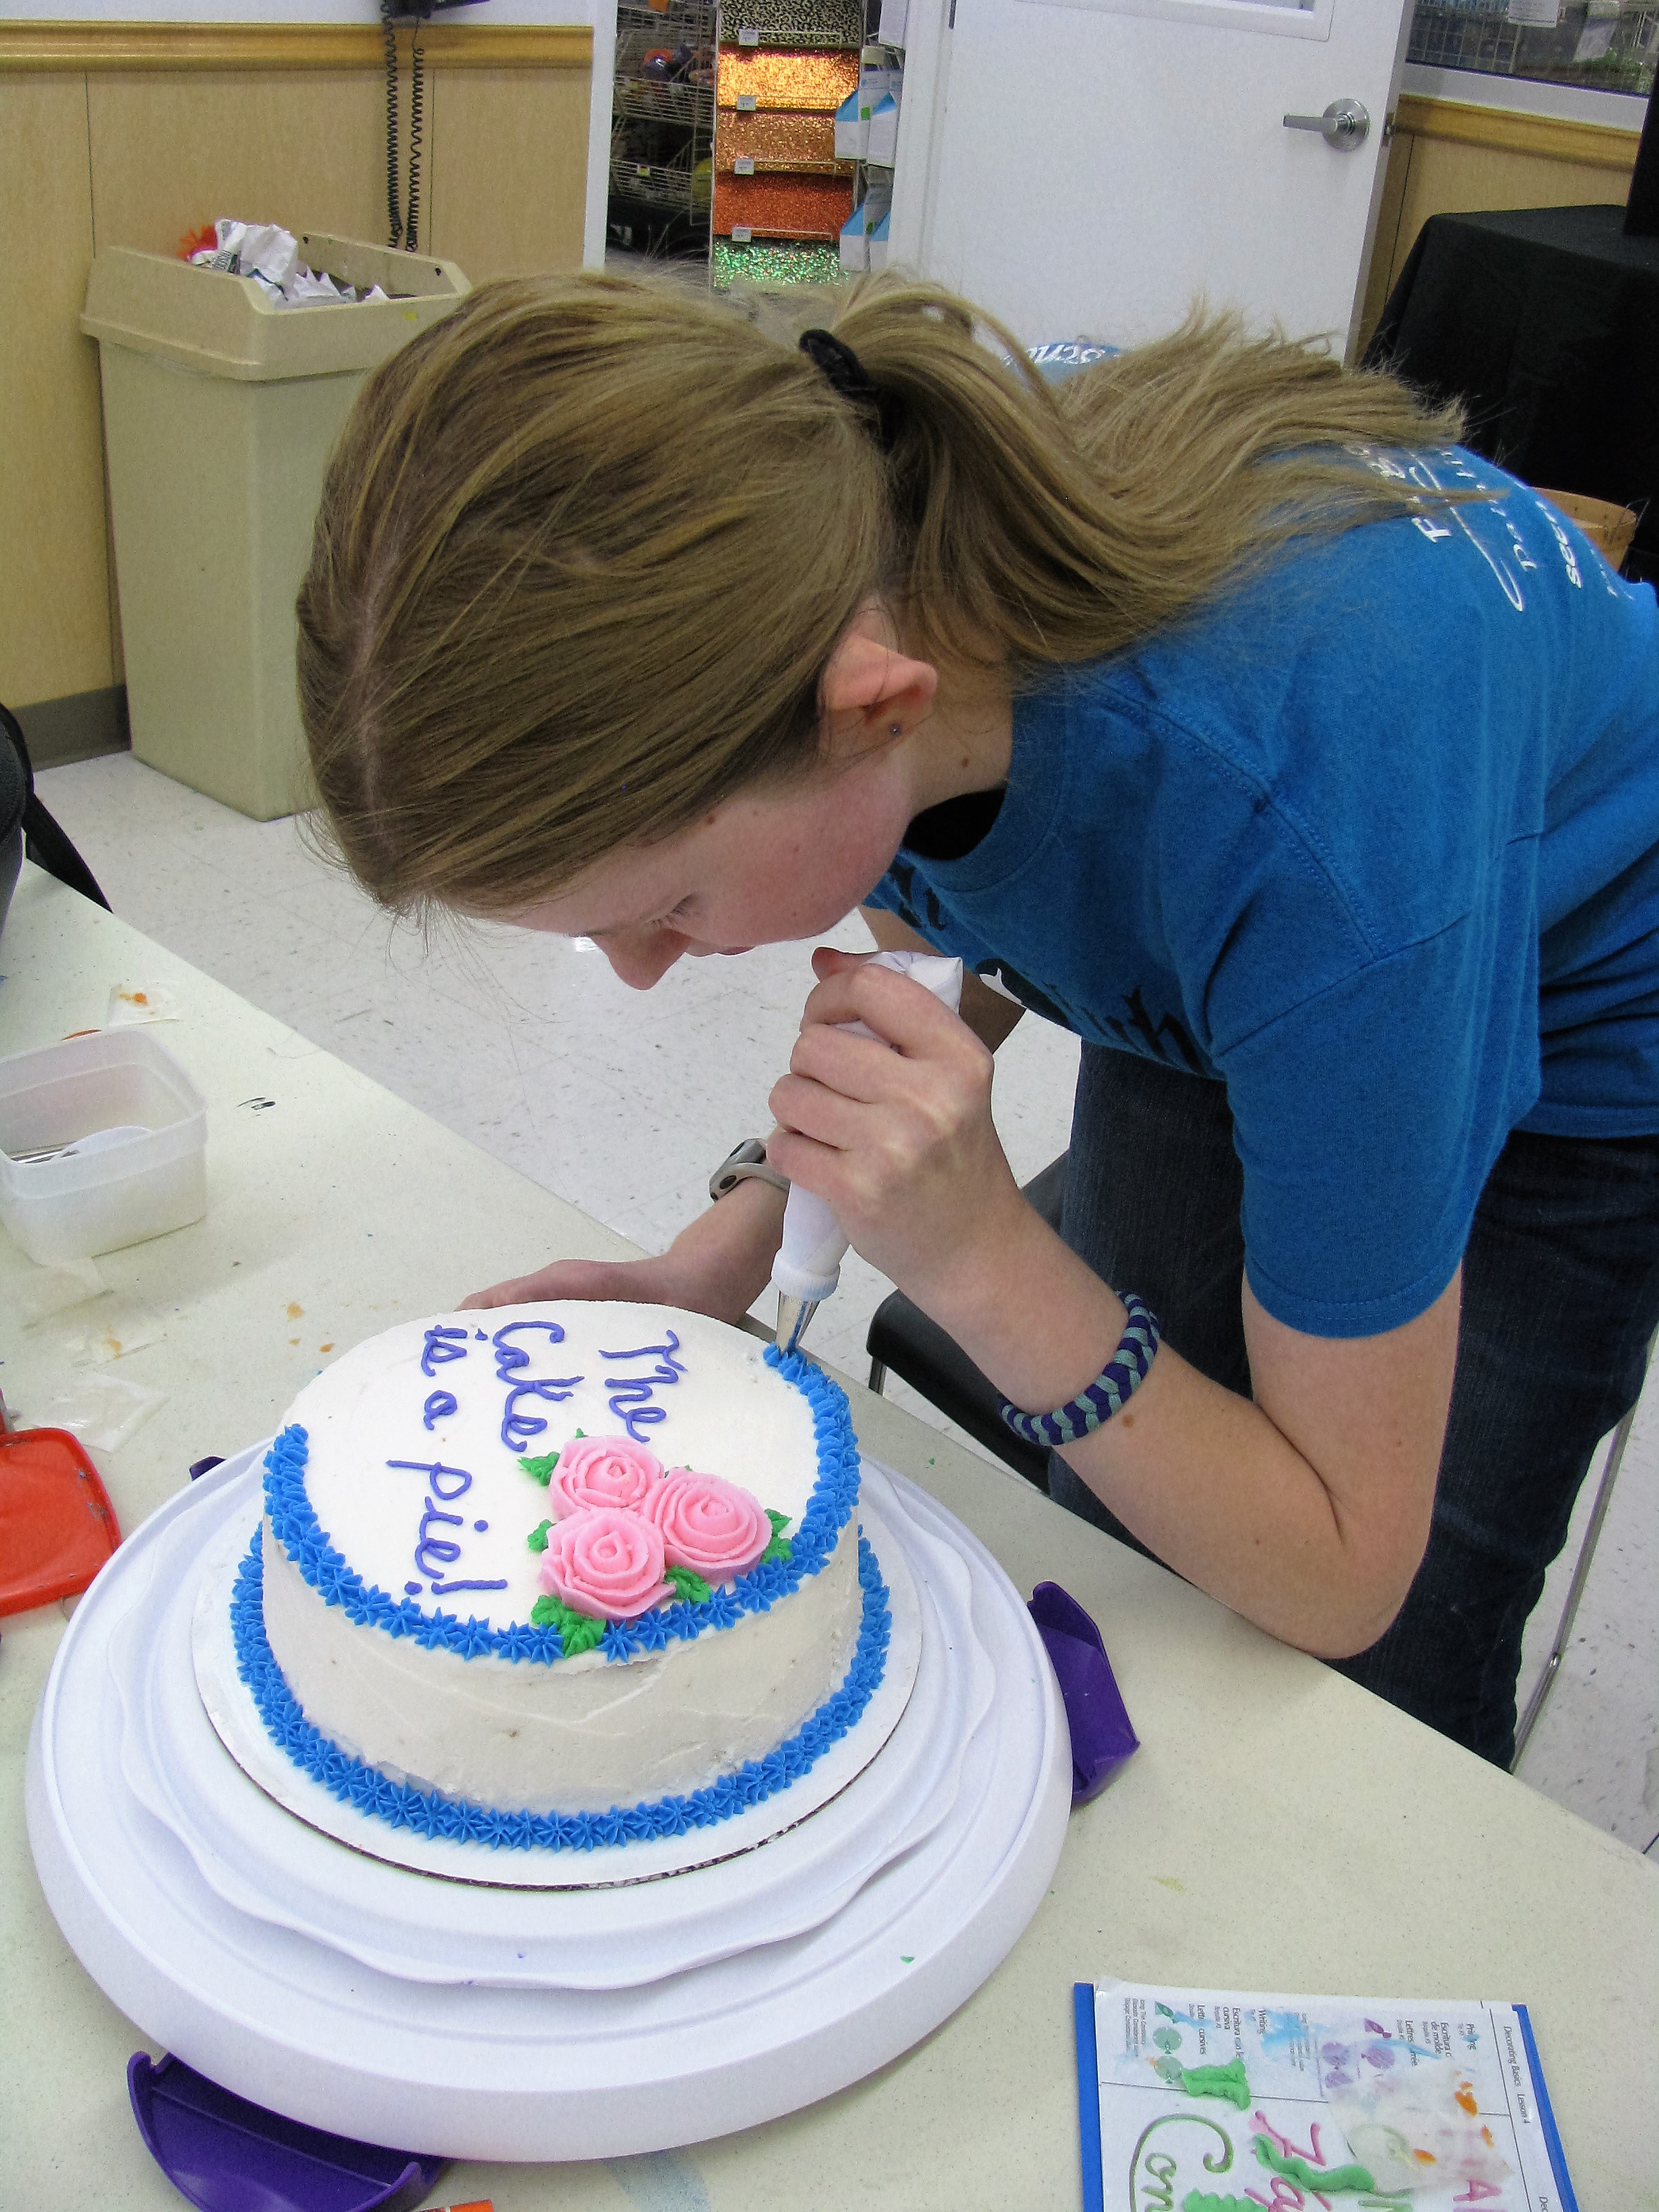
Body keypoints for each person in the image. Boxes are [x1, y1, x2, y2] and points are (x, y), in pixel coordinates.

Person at [295, 270, 1659, 1769]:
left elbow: (1345, 1572)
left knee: (1370, 1677)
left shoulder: (1311, 841)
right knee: (1139, 1527)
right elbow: (955, 944)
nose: (641, 975)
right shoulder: (851, 526)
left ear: (874, 712)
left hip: (1568, 996)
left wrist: (989, 1261)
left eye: (669, 907)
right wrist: (733, 1244)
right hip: (1263, 912)